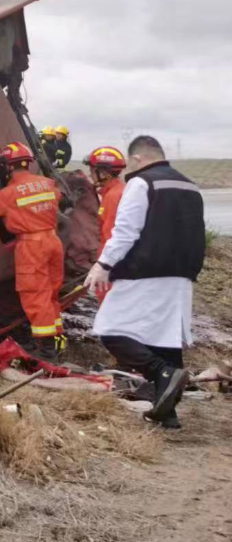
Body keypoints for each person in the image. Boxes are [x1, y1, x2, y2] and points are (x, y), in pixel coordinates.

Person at [85, 135, 206, 429]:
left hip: (145, 271)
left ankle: (161, 373)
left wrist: (103, 265)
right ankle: (167, 413)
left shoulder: (142, 183)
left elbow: (126, 232)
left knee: (109, 329)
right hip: (182, 274)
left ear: (138, 158)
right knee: (165, 338)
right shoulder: (189, 185)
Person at [0, 142, 65, 361]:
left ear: (7, 167)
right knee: (51, 293)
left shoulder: (9, 193)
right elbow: (57, 197)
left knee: (35, 295)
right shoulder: (47, 184)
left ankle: (46, 350)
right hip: (53, 242)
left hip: (32, 247)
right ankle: (56, 339)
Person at [86, 146, 127, 303]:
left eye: (92, 170)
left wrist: (103, 265)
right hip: (118, 263)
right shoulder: (119, 190)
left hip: (112, 265)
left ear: (103, 173)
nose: (90, 174)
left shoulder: (112, 197)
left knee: (109, 303)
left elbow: (111, 236)